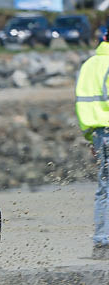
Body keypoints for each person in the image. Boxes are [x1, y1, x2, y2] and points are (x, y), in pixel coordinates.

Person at [76, 31, 109, 260]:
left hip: (98, 133)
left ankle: (102, 242)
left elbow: (83, 105)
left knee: (105, 189)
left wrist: (91, 137)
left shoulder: (89, 65)